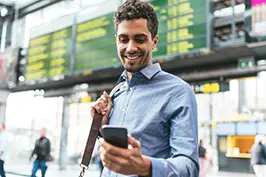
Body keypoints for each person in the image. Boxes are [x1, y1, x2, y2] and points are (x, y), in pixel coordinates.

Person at [91, 0, 199, 176]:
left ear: (154, 42)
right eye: (123, 39)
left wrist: (145, 166)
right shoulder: (116, 92)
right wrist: (101, 128)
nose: (131, 48)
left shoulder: (178, 92)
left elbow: (189, 167)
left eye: (139, 39)